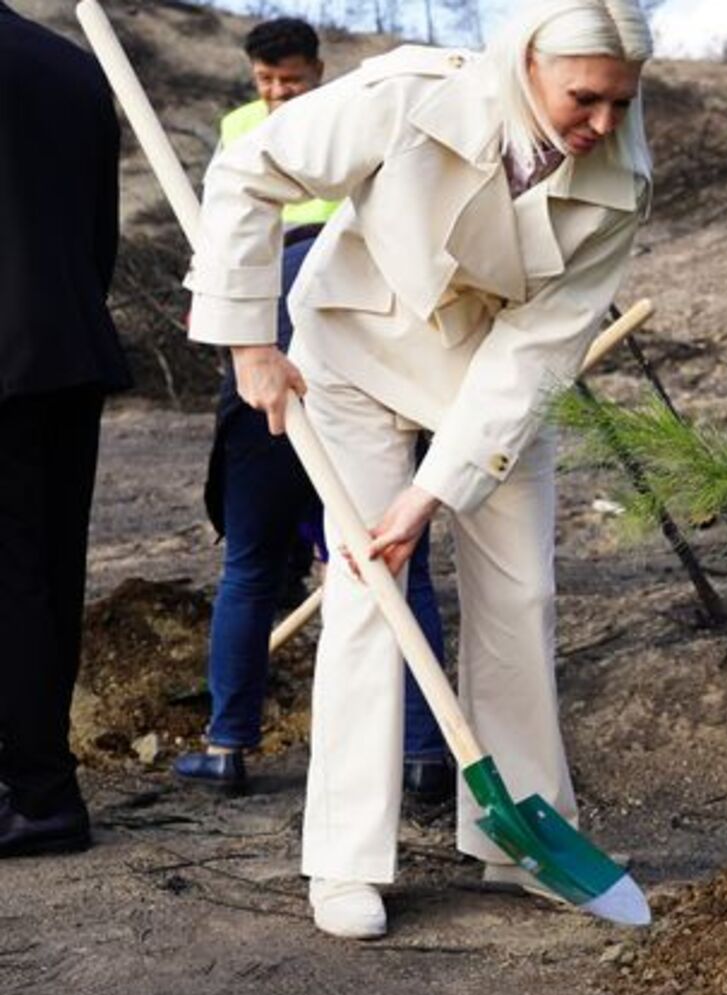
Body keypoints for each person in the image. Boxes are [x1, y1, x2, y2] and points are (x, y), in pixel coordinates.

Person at [185, 0, 653, 939]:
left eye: (620, 103)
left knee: (521, 597)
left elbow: (535, 356)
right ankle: (347, 861)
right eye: (584, 99)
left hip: (489, 390)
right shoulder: (407, 96)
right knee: (369, 592)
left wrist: (433, 492)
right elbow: (249, 171)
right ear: (526, 63)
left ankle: (521, 839)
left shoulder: (620, 181)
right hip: (353, 355)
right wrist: (247, 343)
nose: (602, 123)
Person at [172, 17, 457, 804]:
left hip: (309, 335)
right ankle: (420, 752)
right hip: (312, 342)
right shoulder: (250, 132)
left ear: (316, 72)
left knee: (278, 561)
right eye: (264, 81)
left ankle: (242, 746)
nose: (276, 94)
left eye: (290, 80)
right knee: (387, 559)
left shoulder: (350, 122)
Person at [0, 0, 134, 857]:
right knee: (45, 573)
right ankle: (42, 785)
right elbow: (100, 234)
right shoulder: (72, 63)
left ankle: (36, 795)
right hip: (66, 351)